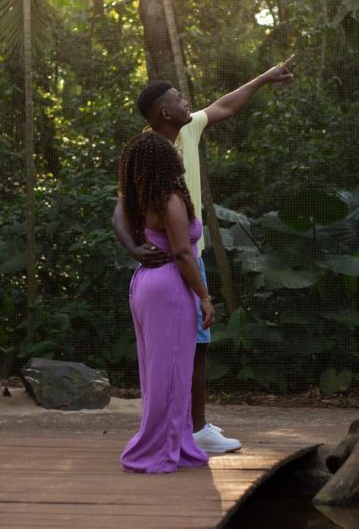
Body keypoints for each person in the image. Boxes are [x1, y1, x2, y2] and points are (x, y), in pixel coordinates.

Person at [112, 55, 296, 454]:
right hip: (174, 260)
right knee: (178, 348)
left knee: (198, 345)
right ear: (165, 111)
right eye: (178, 98)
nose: (186, 102)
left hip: (186, 254)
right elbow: (118, 212)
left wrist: (263, 77)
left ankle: (191, 428)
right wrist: (136, 249)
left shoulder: (190, 129)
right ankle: (188, 431)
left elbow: (226, 105)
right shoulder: (149, 153)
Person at [117, 131, 215, 474]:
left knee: (159, 372)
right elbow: (183, 253)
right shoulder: (169, 200)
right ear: (165, 161)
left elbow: (121, 224)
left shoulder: (138, 199)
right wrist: (204, 296)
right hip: (169, 289)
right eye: (172, 152)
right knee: (171, 372)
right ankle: (158, 451)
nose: (177, 155)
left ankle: (175, 443)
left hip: (146, 285)